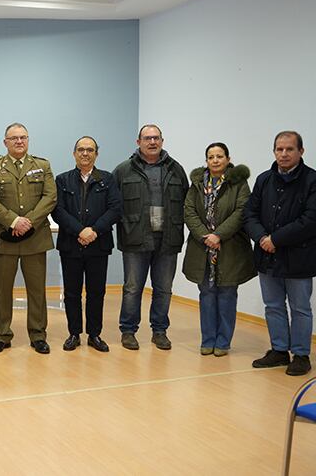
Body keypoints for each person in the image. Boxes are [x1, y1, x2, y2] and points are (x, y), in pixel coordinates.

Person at [244, 131, 316, 376]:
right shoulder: (264, 179)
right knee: (273, 306)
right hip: (267, 256)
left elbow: (310, 221)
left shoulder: (312, 180)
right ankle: (279, 350)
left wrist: (275, 239)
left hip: (300, 257)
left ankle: (301, 354)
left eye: (289, 149)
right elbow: (250, 213)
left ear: (301, 152)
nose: (283, 154)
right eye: (279, 149)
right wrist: (262, 238)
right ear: (274, 151)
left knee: (300, 308)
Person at [0, 122, 57, 354]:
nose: (19, 141)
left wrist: (28, 222)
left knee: (37, 290)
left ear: (28, 140)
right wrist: (14, 221)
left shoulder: (42, 165)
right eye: (13, 138)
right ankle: (2, 335)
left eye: (23, 137)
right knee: (2, 291)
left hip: (35, 238)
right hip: (4, 238)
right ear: (5, 142)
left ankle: (37, 335)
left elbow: (50, 196)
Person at [113, 124, 188, 351]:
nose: (152, 142)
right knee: (133, 288)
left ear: (162, 141)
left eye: (156, 138)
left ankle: (159, 331)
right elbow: (114, 204)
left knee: (163, 288)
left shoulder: (176, 170)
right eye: (147, 138)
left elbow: (187, 202)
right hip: (135, 237)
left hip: (167, 238)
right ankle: (128, 331)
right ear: (138, 142)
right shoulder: (124, 170)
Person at [182, 142, 254, 357]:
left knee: (227, 294)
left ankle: (223, 342)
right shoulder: (196, 183)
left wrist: (218, 235)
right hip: (202, 247)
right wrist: (205, 236)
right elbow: (189, 211)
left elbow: (242, 211)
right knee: (206, 294)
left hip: (229, 247)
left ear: (228, 159)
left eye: (219, 156)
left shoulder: (239, 183)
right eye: (211, 157)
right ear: (206, 161)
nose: (215, 160)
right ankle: (208, 340)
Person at [51, 136, 122, 353]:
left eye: (90, 150)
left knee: (96, 292)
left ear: (96, 154)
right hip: (70, 244)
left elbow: (115, 209)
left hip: (98, 245)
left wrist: (94, 231)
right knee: (72, 293)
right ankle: (74, 333)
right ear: (74, 153)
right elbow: (58, 210)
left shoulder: (108, 180)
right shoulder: (62, 180)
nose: (85, 153)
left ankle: (94, 334)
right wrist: (79, 230)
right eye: (81, 150)